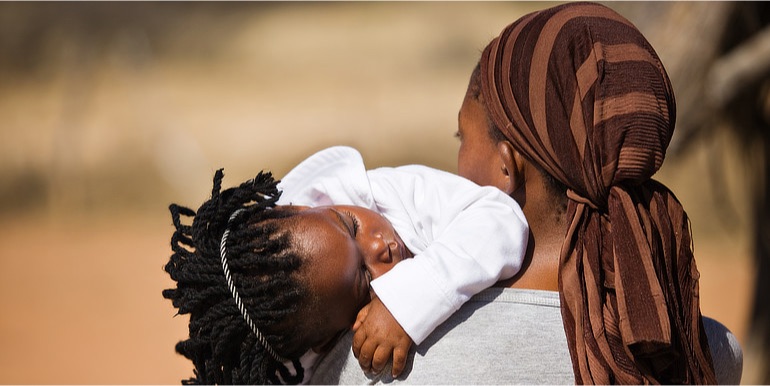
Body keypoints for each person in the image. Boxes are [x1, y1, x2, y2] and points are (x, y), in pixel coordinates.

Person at [310, 2, 743, 384]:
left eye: (462, 136)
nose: (455, 163)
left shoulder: (383, 361)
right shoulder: (704, 349)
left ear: (507, 165)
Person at [163, 145, 528, 384]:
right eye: (365, 277)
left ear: (303, 208)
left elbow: (501, 218)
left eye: (351, 224)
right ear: (323, 342)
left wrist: (407, 301)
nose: (380, 245)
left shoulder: (386, 192)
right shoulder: (296, 345)